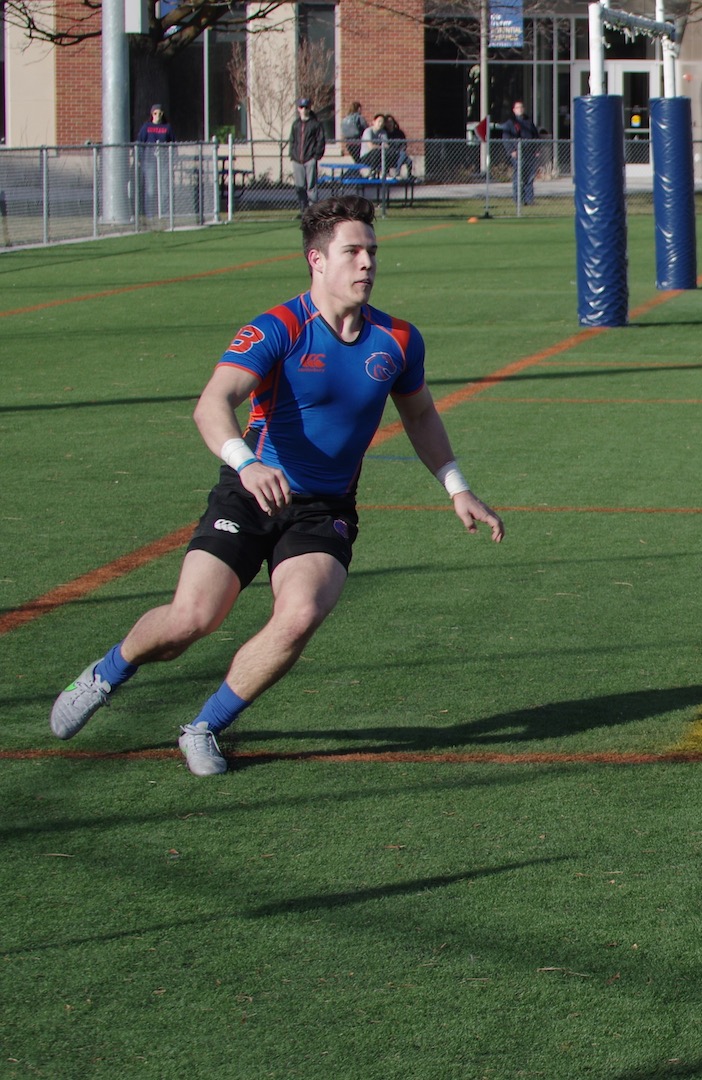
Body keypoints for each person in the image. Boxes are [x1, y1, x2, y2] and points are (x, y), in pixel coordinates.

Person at [48, 196, 506, 775]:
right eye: (353, 252)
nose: (367, 263)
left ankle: (205, 726)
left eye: (372, 251)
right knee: (191, 620)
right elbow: (212, 404)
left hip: (324, 508)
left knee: (299, 616)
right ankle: (107, 673)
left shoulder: (398, 340)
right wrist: (245, 461)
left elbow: (419, 417)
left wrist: (457, 486)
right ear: (317, 260)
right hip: (250, 490)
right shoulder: (279, 327)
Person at [286, 99, 326, 216]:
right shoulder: (296, 124)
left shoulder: (315, 124)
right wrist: (292, 155)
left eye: (306, 107)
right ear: (299, 109)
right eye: (302, 107)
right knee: (300, 186)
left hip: (310, 159)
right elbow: (292, 140)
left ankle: (313, 210)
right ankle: (303, 210)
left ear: (309, 108)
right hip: (297, 159)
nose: (304, 110)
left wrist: (316, 156)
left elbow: (320, 140)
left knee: (311, 186)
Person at [136, 104, 175, 215]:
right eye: (155, 113)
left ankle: (164, 212)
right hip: (149, 163)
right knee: (150, 189)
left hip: (164, 163)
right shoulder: (146, 127)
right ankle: (150, 213)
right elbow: (140, 143)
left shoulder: (167, 127)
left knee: (164, 189)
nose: (158, 115)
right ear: (151, 114)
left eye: (160, 113)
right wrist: (140, 159)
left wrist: (173, 160)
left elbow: (172, 143)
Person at [502, 101, 541, 204]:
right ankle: (518, 199)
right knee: (519, 176)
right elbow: (506, 138)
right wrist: (512, 151)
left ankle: (529, 200)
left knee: (529, 177)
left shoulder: (529, 122)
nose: (520, 109)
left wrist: (536, 149)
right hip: (518, 154)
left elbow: (535, 136)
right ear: (514, 110)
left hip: (530, 153)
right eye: (518, 107)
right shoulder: (510, 123)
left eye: (521, 107)